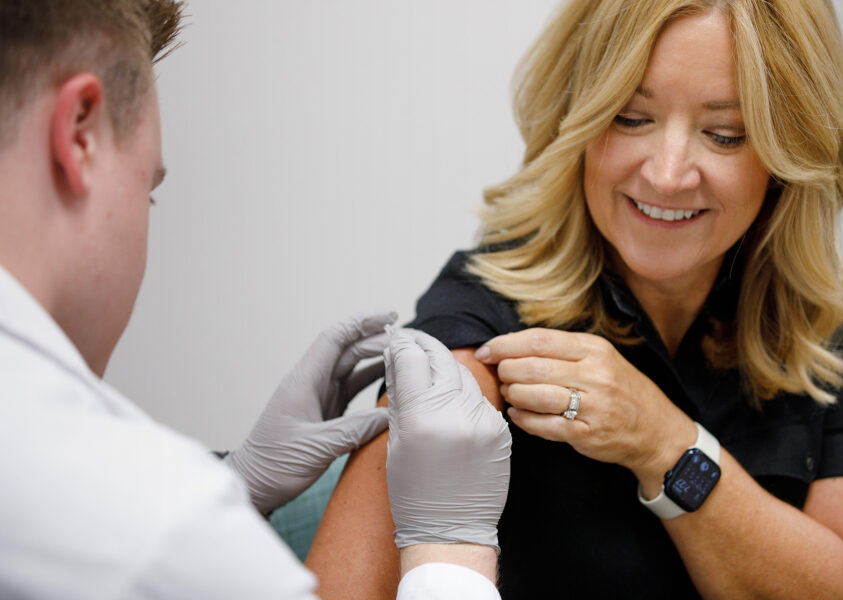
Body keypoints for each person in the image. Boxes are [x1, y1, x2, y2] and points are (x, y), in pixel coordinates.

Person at [306, 0, 843, 597]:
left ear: (789, 152)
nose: (668, 175)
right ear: (577, 119)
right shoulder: (481, 319)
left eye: (725, 135)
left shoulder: (822, 323)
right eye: (629, 117)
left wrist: (668, 444)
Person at [0, 1, 511, 598]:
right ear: (79, 133)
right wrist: (449, 547)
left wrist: (237, 482)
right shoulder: (153, 534)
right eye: (149, 192)